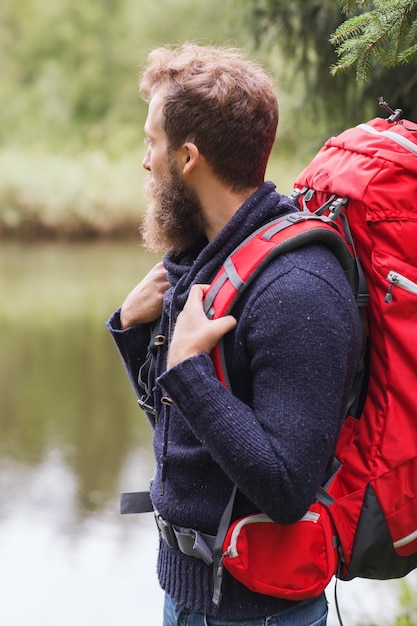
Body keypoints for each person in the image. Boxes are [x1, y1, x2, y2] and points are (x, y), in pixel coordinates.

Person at [107, 43, 362, 626]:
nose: (146, 161)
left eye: (153, 144)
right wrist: (132, 331)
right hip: (191, 595)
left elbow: (286, 485)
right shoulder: (211, 260)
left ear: (189, 157)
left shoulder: (299, 288)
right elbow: (193, 440)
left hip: (256, 614)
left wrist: (191, 369)